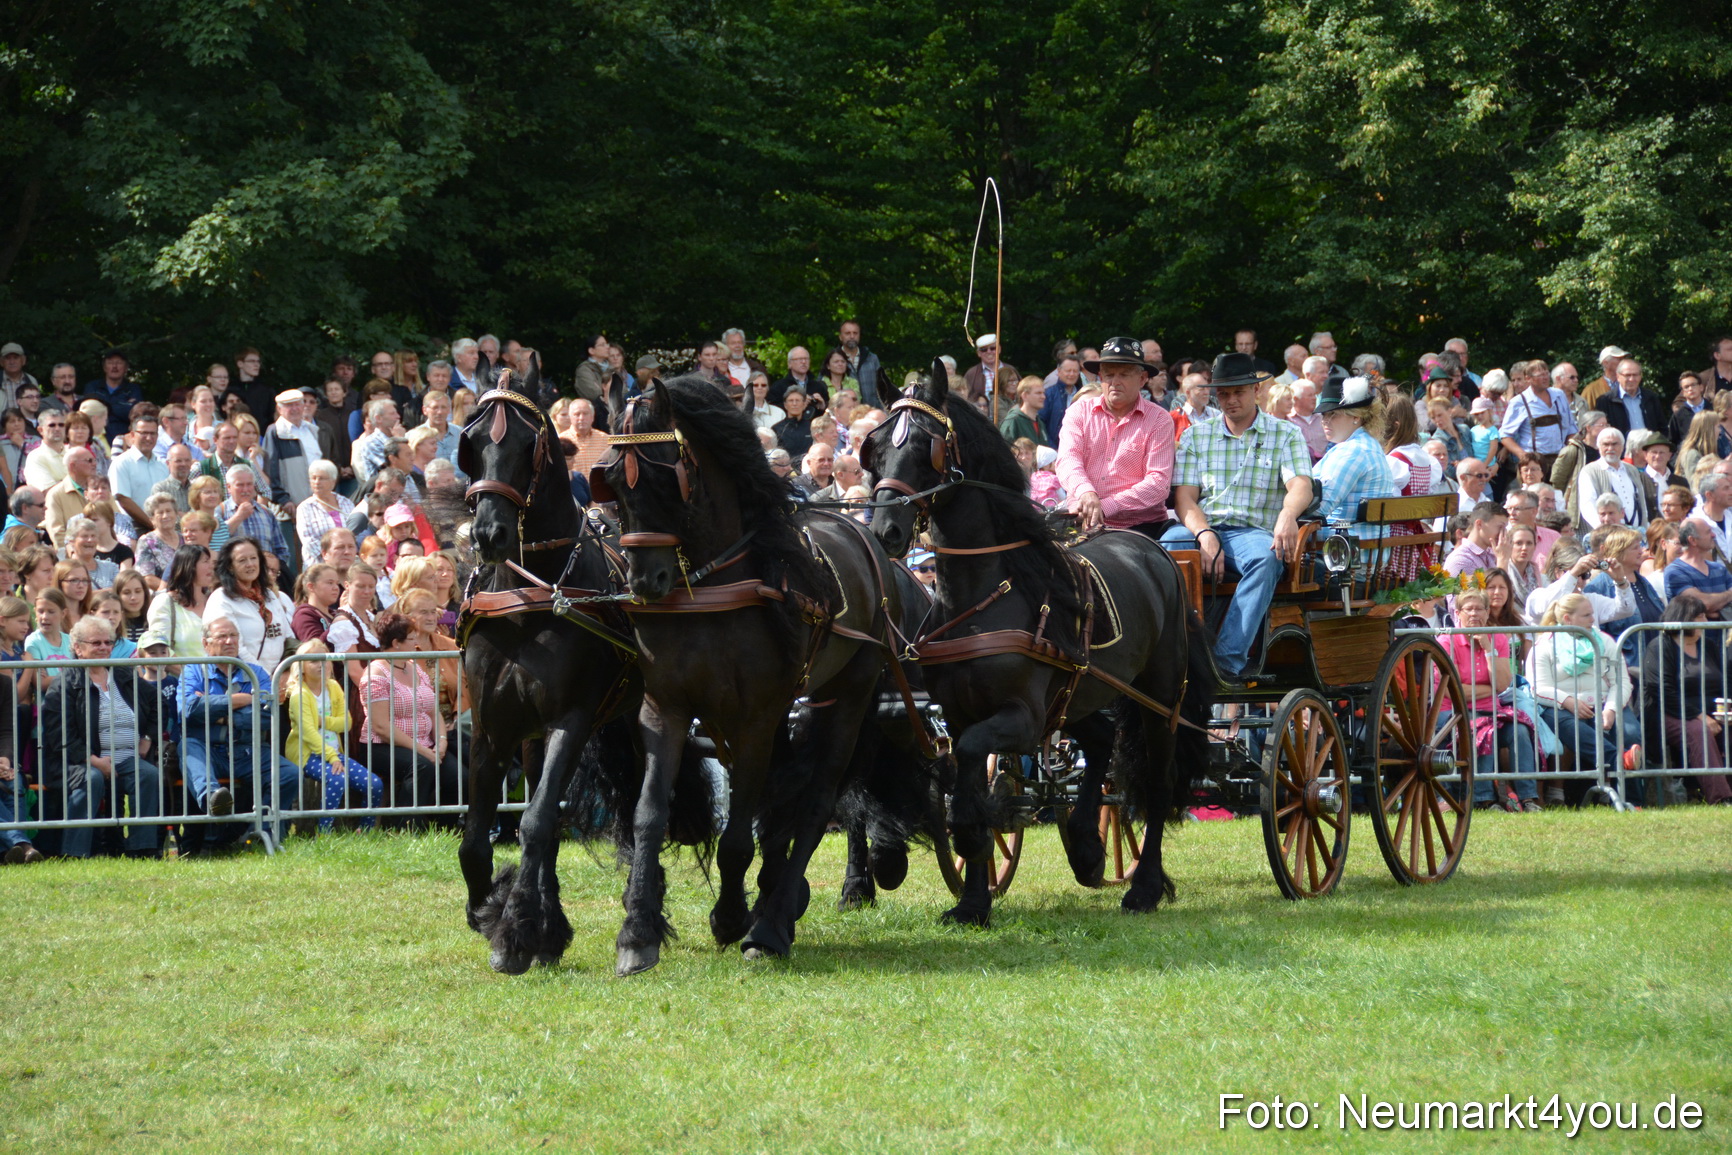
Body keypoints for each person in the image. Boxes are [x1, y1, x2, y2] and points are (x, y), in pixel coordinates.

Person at [1165, 351, 1311, 676]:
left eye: (1238, 392)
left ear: (1256, 390)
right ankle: (1170, 653)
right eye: (1224, 393)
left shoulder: (1285, 434)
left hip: (1253, 533)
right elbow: (1185, 499)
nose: (1230, 400)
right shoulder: (1195, 436)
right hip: (1202, 528)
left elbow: (1301, 485)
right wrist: (1205, 535)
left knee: (1268, 556)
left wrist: (1288, 515)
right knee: (1167, 546)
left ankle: (1224, 665)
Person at [36, 615, 164, 856]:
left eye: (108, 642)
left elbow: (157, 701)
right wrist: (93, 761)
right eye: (96, 643)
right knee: (91, 778)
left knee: (148, 774)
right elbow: (59, 733)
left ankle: (142, 848)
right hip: (75, 761)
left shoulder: (124, 676)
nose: (104, 648)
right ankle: (75, 852)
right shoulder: (65, 683)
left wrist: (147, 737)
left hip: (127, 758)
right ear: (78, 648)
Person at [178, 615, 300, 821]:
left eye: (234, 635)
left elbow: (266, 715)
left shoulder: (256, 673)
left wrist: (221, 716)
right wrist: (240, 700)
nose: (230, 641)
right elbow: (189, 710)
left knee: (289, 773)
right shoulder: (193, 671)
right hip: (207, 748)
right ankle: (213, 800)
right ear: (205, 644)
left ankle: (263, 830)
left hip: (247, 750)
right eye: (222, 636)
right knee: (188, 746)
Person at [1054, 337, 1175, 535]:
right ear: (1100, 377)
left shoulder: (1159, 419)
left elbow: (1158, 483)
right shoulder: (1078, 412)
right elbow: (1068, 460)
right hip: (1081, 523)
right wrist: (1086, 492)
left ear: (1143, 378)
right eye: (1108, 375)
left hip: (1142, 528)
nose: (1114, 382)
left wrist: (1105, 506)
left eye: (1124, 375)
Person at [1443, 590, 1541, 812]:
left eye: (1480, 609)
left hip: (1492, 712)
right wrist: (1491, 688)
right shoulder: (1446, 640)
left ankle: (1528, 798)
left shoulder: (1497, 638)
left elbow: (1504, 683)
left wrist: (1488, 648)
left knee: (1520, 730)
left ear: (1488, 612)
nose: (1475, 614)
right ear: (1458, 613)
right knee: (1484, 731)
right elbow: (1454, 692)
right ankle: (1485, 800)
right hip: (1454, 713)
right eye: (1469, 609)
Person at [361, 611, 461, 820]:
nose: (416, 642)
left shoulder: (415, 668)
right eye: (411, 638)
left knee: (458, 776)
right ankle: (405, 829)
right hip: (382, 746)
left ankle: (445, 829)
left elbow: (434, 711)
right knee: (421, 766)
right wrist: (424, 751)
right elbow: (381, 727)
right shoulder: (376, 674)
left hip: (426, 743)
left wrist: (441, 743)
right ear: (396, 643)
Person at [1638, 593, 1732, 806]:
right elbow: (1662, 690)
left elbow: (1724, 681)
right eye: (1701, 617)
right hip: (1669, 713)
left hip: (1709, 711)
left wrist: (1726, 709)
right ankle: (1721, 798)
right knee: (1699, 730)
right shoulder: (1660, 645)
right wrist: (1700, 717)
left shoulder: (1707, 645)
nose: (1706, 623)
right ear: (1684, 617)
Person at [284, 638, 383, 829]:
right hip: (308, 754)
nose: (321, 664)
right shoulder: (299, 694)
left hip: (333, 753)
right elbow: (308, 732)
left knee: (374, 784)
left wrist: (323, 721)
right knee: (337, 779)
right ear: (301, 667)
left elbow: (346, 723)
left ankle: (366, 831)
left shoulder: (333, 687)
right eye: (313, 661)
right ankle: (324, 831)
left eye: (325, 659)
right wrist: (331, 757)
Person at [1313, 375, 1399, 539]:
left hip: (1346, 553)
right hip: (1358, 549)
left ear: (1356, 416)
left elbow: (1317, 508)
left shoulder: (1353, 451)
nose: (1325, 420)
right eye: (1323, 415)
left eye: (1333, 414)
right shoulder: (1365, 444)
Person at [204, 538, 295, 671]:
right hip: (243, 680)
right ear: (230, 566)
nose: (250, 564)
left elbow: (289, 639)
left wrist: (286, 673)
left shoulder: (269, 596)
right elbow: (235, 648)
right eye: (242, 560)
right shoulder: (221, 598)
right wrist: (264, 678)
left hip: (278, 681)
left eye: (253, 558)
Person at [220, 466, 292, 577]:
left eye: (249, 484)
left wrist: (274, 566)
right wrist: (239, 516)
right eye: (240, 485)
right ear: (229, 487)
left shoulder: (266, 513)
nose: (245, 489)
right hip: (234, 578)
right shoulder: (220, 511)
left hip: (266, 578)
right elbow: (216, 541)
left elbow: (281, 549)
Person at [1574, 426, 1649, 531]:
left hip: (1636, 534)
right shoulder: (1589, 471)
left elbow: (1642, 501)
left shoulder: (1632, 470)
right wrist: (1601, 528)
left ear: (1622, 447)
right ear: (1598, 447)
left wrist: (1645, 527)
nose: (1610, 448)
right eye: (1606, 444)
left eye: (1614, 444)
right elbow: (1587, 504)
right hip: (1607, 535)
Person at [295, 459, 353, 568]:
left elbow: (356, 531)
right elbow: (308, 540)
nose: (316, 482)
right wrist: (330, 558)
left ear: (333, 481)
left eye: (321, 478)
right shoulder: (305, 507)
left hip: (348, 565)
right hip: (319, 566)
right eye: (313, 478)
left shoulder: (346, 503)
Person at [1594, 357, 1667, 438]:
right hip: (1621, 448)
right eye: (1627, 375)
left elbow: (1662, 427)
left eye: (1635, 375)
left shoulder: (1651, 398)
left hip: (1649, 447)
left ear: (1640, 376)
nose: (1632, 379)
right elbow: (1601, 432)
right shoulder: (1606, 401)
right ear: (1618, 376)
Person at [292, 562, 343, 642]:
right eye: (330, 583)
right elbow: (315, 650)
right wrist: (340, 620)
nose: (336, 588)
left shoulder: (335, 614)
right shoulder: (304, 615)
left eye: (337, 583)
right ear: (311, 587)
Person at [999, 376, 1045, 445]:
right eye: (1038, 393)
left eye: (1043, 393)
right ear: (1025, 395)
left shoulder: (1040, 423)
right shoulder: (1013, 421)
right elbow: (1004, 450)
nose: (1043, 397)